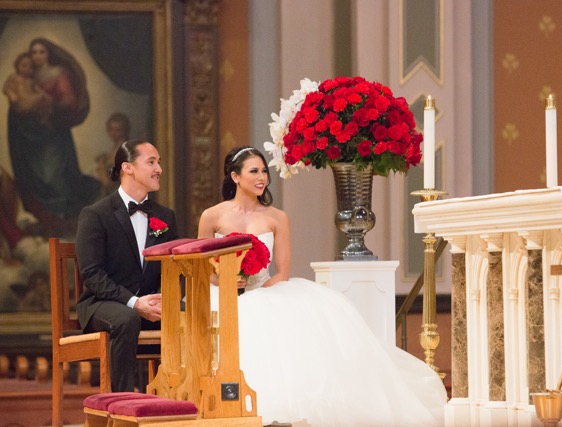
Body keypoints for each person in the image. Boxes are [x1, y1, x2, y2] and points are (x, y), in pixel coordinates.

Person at [198, 146, 447, 426]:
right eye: (253, 171)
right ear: (234, 176)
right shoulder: (212, 216)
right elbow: (203, 269)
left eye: (264, 171)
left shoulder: (277, 217)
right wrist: (226, 280)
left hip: (263, 288)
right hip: (222, 292)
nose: (262, 178)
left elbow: (282, 271)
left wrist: (257, 287)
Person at [76, 139, 178, 392]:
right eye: (151, 162)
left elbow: (175, 267)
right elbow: (92, 275)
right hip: (102, 304)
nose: (159, 169)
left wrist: (169, 299)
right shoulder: (96, 214)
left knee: (189, 314)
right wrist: (134, 302)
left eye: (159, 163)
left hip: (149, 305)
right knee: (126, 318)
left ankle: (178, 399)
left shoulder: (165, 216)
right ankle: (122, 402)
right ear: (127, 167)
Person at [6, 38, 99, 232]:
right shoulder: (29, 76)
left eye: (41, 52)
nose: (37, 56)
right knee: (35, 178)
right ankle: (49, 219)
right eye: (34, 53)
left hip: (53, 136)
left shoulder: (59, 74)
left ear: (49, 54)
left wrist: (48, 107)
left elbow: (69, 102)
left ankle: (64, 216)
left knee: (52, 176)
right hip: (30, 139)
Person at [2, 52, 52, 125]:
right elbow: (6, 88)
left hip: (29, 101)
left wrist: (42, 93)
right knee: (39, 99)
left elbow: (36, 89)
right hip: (20, 102)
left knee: (45, 99)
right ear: (17, 66)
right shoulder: (14, 77)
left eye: (31, 67)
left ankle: (44, 119)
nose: (27, 69)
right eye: (24, 65)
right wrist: (11, 94)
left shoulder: (30, 80)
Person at [96, 113, 132, 196]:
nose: (113, 133)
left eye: (117, 130)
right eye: (111, 129)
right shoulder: (116, 146)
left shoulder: (125, 149)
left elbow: (109, 183)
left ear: (125, 130)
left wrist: (101, 167)